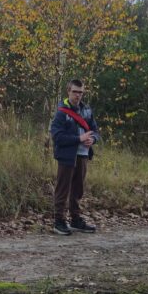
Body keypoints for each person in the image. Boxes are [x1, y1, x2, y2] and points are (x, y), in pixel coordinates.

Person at [50, 78, 100, 236]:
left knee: (78, 189)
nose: (78, 95)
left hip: (83, 155)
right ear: (68, 92)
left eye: (81, 92)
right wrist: (78, 139)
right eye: (75, 92)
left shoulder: (87, 110)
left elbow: (95, 130)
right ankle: (59, 221)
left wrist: (93, 139)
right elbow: (57, 136)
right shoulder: (61, 113)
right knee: (62, 189)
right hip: (67, 156)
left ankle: (76, 220)